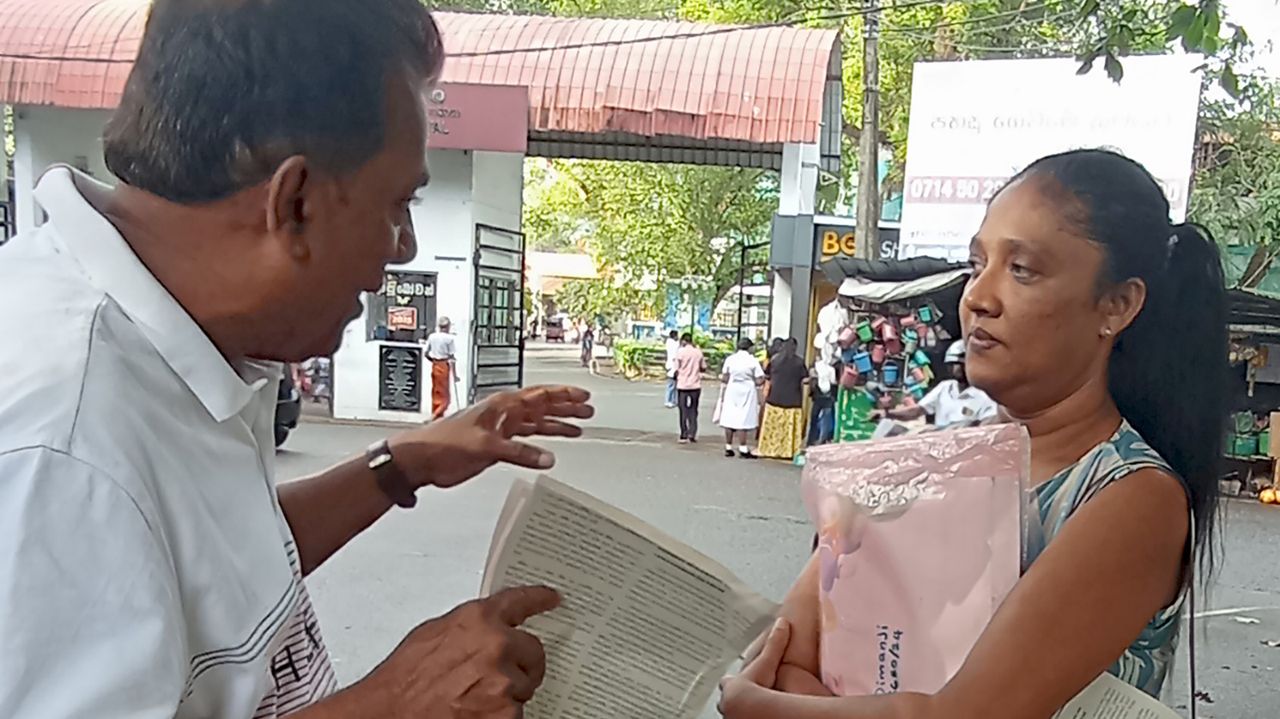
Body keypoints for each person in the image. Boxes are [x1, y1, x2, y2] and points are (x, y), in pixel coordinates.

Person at [0, 3, 596, 718]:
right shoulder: (60, 448)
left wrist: (401, 465)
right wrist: (395, 701)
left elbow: (206, 567)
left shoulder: (176, 337)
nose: (403, 246)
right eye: (397, 204)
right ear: (296, 202)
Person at [721, 148, 1226, 717]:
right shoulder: (923, 457)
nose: (979, 297)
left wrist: (764, 707)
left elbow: (962, 715)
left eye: (1022, 269)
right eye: (977, 263)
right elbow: (784, 654)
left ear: (1117, 304)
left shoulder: (1132, 499)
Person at [882, 339, 998, 428]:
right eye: (950, 365)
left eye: (957, 364)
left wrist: (956, 428)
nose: (953, 369)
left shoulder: (984, 394)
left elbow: (987, 424)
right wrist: (888, 414)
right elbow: (918, 410)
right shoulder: (945, 387)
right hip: (940, 442)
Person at [757, 338, 809, 460]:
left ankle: (770, 449)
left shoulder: (775, 360)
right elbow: (805, 379)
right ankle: (788, 451)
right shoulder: (799, 362)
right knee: (788, 428)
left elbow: (767, 375)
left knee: (774, 427)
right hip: (793, 399)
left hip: (774, 398)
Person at [718, 337, 766, 458]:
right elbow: (760, 379)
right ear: (749, 348)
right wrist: (753, 381)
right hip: (747, 389)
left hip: (732, 388)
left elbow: (725, 377)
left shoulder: (730, 359)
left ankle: (728, 447)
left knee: (729, 417)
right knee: (743, 418)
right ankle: (743, 448)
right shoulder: (752, 360)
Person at [674, 332, 708, 443]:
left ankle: (683, 433)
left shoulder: (680, 352)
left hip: (682, 385)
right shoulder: (698, 352)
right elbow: (703, 367)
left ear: (684, 341)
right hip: (695, 384)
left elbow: (676, 369)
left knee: (683, 410)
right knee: (693, 409)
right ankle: (692, 433)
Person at [425, 316, 457, 419]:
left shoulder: (432, 336)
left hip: (435, 364)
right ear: (447, 326)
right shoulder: (449, 339)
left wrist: (433, 360)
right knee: (445, 396)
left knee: (436, 391)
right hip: (444, 364)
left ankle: (436, 413)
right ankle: (436, 415)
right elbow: (452, 358)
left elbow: (426, 353)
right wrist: (455, 375)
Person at [805, 362, 837, 447]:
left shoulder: (816, 367)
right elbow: (833, 381)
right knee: (826, 419)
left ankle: (812, 440)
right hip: (827, 395)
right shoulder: (830, 369)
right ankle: (823, 440)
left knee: (815, 418)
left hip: (819, 395)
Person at [664, 329, 680, 408]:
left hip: (671, 365)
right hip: (672, 366)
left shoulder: (669, 342)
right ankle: (669, 400)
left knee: (673, 385)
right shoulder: (673, 344)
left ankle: (673, 400)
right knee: (672, 385)